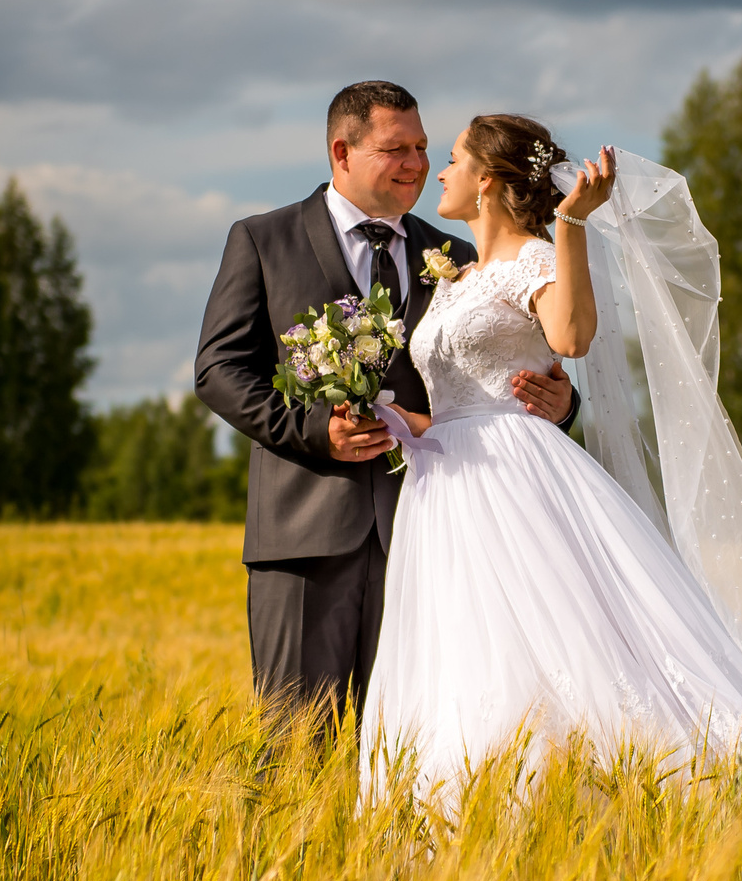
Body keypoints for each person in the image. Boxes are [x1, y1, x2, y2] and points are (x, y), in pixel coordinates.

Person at [361, 113, 742, 802]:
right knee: (467, 645)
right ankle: (473, 798)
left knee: (556, 638)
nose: (440, 173)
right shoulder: (453, 276)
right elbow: (455, 398)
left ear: (486, 181)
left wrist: (570, 224)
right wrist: (390, 418)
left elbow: (570, 336)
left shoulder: (536, 258)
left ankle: (589, 783)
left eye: (451, 159)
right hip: (444, 485)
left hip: (515, 482)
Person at [193, 81, 579, 719]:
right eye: (396, 149)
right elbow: (219, 369)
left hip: (434, 533)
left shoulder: (457, 255)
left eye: (424, 147)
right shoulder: (265, 239)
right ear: (342, 153)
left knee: (414, 738)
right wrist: (316, 431)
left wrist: (560, 405)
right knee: (295, 740)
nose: (419, 164)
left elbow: (496, 383)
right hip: (305, 531)